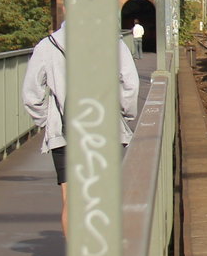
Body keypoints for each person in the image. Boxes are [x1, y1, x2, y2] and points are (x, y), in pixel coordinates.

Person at [21, 21, 140, 238]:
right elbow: (130, 84)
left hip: (64, 133)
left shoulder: (48, 45)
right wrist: (125, 115)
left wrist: (47, 123)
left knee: (70, 199)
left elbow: (32, 96)